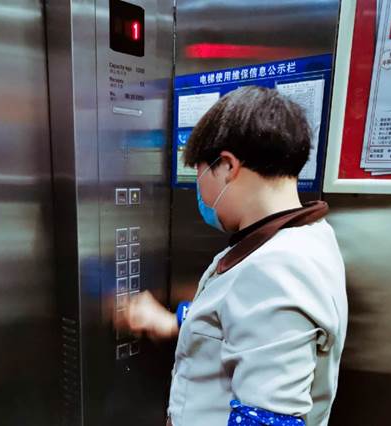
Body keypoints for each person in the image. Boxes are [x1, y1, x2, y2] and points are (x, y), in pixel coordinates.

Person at [122, 86, 348, 426]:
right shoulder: (305, 237)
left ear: (228, 166)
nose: (200, 190)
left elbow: (269, 417)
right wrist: (172, 323)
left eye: (200, 174)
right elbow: (244, 323)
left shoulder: (276, 270)